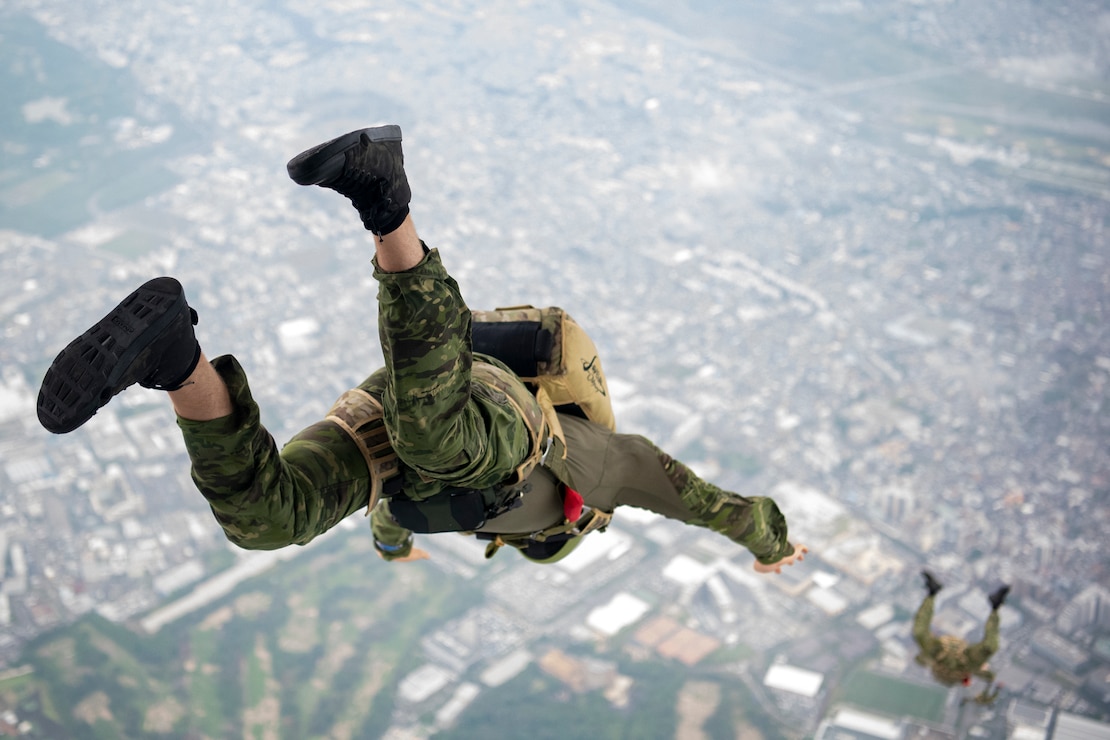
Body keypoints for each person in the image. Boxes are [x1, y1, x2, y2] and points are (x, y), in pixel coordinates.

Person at [37, 124, 808, 573]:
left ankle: (173, 355)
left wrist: (390, 545)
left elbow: (395, 511)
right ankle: (386, 196)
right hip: (485, 409)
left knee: (267, 521)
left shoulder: (465, 518)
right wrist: (771, 544)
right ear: (567, 526)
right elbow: (709, 503)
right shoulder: (601, 469)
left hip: (400, 420)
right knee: (438, 438)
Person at [913, 570, 1008, 706]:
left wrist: (987, 688)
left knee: (919, 633)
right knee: (990, 647)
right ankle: (995, 607)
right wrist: (987, 689)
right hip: (962, 661)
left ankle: (932, 593)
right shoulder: (969, 666)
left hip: (941, 655)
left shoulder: (932, 657)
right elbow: (988, 677)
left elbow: (920, 656)